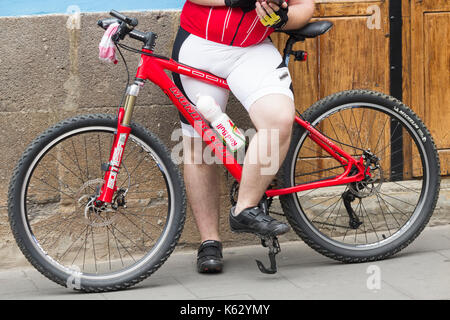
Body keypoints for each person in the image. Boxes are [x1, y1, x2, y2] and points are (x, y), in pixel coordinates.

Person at [171, 0, 315, 273]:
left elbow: (306, 6)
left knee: (279, 119)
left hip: (253, 49)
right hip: (199, 45)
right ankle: (209, 241)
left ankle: (245, 209)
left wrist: (282, 18)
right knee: (199, 145)